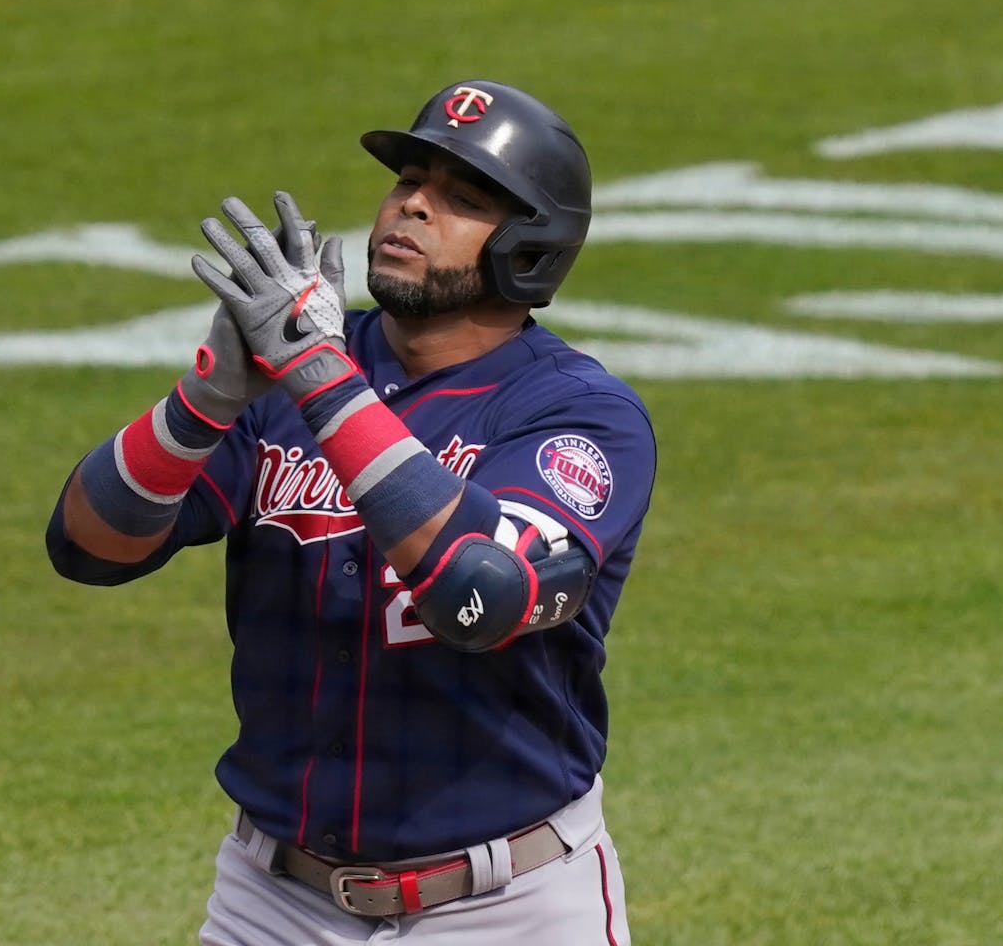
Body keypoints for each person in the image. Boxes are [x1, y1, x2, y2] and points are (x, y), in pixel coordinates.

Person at [46, 79, 656, 945]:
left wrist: (321, 380)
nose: (411, 206)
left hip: (505, 909)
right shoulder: (289, 374)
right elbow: (88, 546)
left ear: (532, 247)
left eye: (461, 199)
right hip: (274, 903)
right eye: (407, 180)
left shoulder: (578, 417)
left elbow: (482, 596)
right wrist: (205, 401)